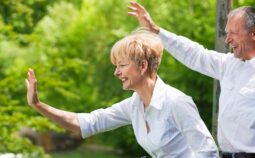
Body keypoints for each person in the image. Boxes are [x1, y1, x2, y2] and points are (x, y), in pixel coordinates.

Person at [128, 2, 255, 158]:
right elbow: (194, 54)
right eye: (227, 33)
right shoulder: (230, 63)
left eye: (233, 33)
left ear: (254, 33)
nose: (227, 39)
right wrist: (156, 31)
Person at [25, 28, 219, 157]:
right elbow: (88, 123)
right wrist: (38, 105)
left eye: (122, 65)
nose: (116, 72)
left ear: (143, 66)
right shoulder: (134, 105)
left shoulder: (176, 102)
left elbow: (208, 152)